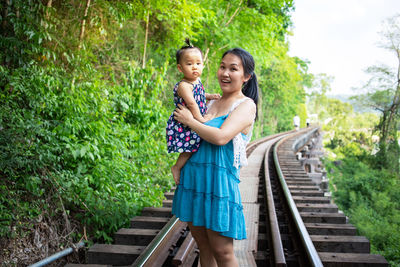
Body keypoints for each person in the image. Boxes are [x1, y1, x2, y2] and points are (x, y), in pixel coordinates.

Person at [172, 48, 258, 267]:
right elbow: (193, 138)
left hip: (219, 186)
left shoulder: (246, 105)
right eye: (222, 67)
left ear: (246, 76)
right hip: (196, 181)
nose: (225, 73)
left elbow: (220, 138)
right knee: (204, 247)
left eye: (233, 69)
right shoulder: (211, 102)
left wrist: (191, 121)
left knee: (223, 252)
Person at [166, 39, 220, 185]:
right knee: (191, 147)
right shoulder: (184, 85)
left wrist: (210, 96)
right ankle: (176, 167)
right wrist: (200, 120)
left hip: (192, 119)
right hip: (185, 121)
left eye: (198, 63)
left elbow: (200, 94)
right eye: (189, 64)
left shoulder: (196, 81)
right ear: (180, 68)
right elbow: (191, 103)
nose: (194, 67)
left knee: (198, 144)